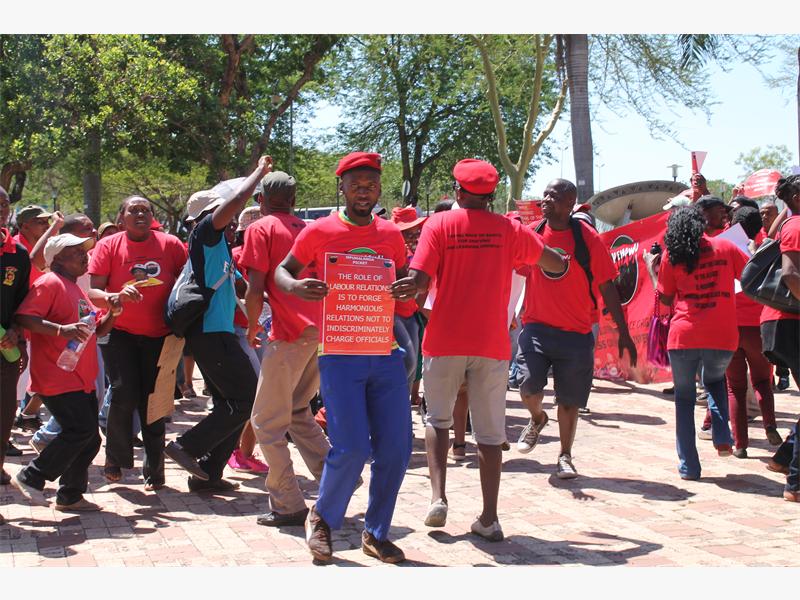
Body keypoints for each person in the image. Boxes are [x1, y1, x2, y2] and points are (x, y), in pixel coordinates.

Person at [397, 159, 566, 543]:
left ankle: (438, 497)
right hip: (491, 344)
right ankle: (489, 518)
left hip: (444, 339)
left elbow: (419, 279)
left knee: (437, 420)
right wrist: (562, 261)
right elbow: (554, 264)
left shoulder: (439, 225)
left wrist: (405, 285)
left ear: (459, 192)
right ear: (491, 194)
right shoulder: (510, 229)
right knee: (490, 434)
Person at [275, 151, 412, 564]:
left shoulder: (391, 234)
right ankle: (322, 517)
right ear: (343, 188)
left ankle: (376, 532)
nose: (363, 192)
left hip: (384, 351)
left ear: (379, 188)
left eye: (371, 185)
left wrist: (409, 287)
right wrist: (296, 288)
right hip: (339, 352)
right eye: (356, 185)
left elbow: (403, 278)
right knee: (351, 448)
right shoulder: (319, 230)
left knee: (396, 450)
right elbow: (282, 270)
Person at [515, 179, 637, 479]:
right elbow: (515, 274)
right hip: (536, 328)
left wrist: (623, 333)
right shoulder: (532, 234)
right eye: (544, 194)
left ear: (570, 203)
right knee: (528, 386)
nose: (545, 199)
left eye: (553, 196)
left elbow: (607, 287)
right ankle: (537, 418)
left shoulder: (587, 239)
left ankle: (565, 455)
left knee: (569, 401)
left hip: (576, 333)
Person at [163, 157, 271, 493]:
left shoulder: (221, 245)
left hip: (219, 332)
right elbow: (237, 200)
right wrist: (259, 173)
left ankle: (208, 475)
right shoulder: (205, 233)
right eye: (222, 212)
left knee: (232, 404)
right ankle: (187, 447)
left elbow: (239, 286)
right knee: (247, 399)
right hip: (210, 334)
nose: (232, 219)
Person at [242, 170, 331, 528]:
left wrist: (251, 326)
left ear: (261, 200)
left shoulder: (260, 229)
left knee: (265, 423)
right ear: (294, 201)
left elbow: (255, 288)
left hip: (288, 332)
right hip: (320, 332)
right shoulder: (310, 229)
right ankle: (336, 478)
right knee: (296, 410)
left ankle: (288, 504)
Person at [11, 233, 121, 511]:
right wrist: (61, 330)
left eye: (84, 251)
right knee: (79, 431)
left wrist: (114, 313)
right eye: (77, 252)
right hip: (57, 375)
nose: (85, 256)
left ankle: (70, 495)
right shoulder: (49, 282)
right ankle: (31, 476)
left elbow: (97, 330)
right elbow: (24, 317)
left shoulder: (75, 288)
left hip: (80, 377)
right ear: (57, 259)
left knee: (90, 439)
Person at [89, 195, 187, 491]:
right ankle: (115, 458)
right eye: (134, 210)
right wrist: (113, 297)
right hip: (119, 332)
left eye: (146, 210)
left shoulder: (171, 244)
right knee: (123, 392)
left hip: (161, 335)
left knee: (154, 402)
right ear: (122, 218)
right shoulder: (108, 245)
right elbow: (94, 292)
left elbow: (186, 282)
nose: (141, 214)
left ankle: (154, 469)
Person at [645, 206, 748, 480]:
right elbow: (749, 276)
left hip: (684, 336)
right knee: (715, 381)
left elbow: (665, 299)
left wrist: (652, 271)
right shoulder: (726, 247)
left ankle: (689, 467)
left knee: (684, 400)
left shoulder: (672, 256)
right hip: (722, 334)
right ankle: (722, 436)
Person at [721, 207, 782, 457]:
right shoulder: (766, 248)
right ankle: (770, 424)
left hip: (728, 326)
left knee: (734, 387)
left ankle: (740, 445)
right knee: (762, 381)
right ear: (759, 227)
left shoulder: (722, 247)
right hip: (757, 326)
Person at [759, 175, 800, 501]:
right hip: (790, 323)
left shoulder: (789, 223)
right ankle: (795, 484)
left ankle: (784, 458)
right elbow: (790, 274)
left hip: (779, 323)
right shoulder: (797, 225)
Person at [0, 186, 30, 511]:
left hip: (4, 351)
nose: (1, 209)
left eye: (5, 204)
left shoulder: (18, 255)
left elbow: (24, 302)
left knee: (4, 416)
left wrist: (15, 330)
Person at [390, 206, 427, 392]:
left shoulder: (418, 251)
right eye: (407, 233)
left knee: (413, 369)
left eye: (416, 232)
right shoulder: (392, 251)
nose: (413, 237)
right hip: (393, 312)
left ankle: (402, 406)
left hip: (411, 312)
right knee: (408, 362)